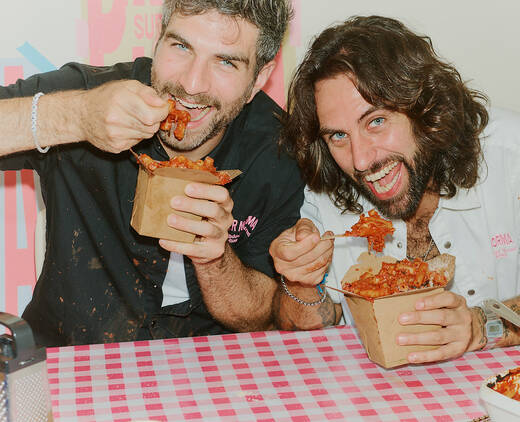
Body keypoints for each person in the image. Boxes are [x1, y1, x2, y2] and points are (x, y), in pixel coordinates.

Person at [270, 16, 520, 364]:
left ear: (425, 108)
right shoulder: (329, 178)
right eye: (338, 135)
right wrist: (301, 279)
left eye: (376, 122)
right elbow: (306, 324)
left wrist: (480, 326)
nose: (360, 160)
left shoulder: (515, 152)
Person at [0, 0, 304, 347]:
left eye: (225, 61)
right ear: (158, 43)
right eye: (181, 46)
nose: (191, 84)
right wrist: (77, 117)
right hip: (70, 355)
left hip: (209, 371)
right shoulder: (92, 93)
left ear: (258, 80)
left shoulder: (278, 150)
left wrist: (214, 259)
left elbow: (259, 315)